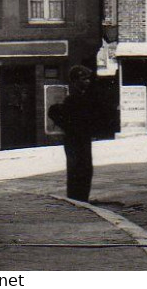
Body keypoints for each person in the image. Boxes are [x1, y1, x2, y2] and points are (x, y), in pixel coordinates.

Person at [48, 66, 99, 202]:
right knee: (78, 170)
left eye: (88, 79)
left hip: (81, 139)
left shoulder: (82, 97)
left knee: (84, 169)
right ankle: (78, 200)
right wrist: (70, 128)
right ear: (75, 81)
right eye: (84, 79)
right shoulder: (73, 99)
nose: (87, 82)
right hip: (75, 140)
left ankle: (80, 199)